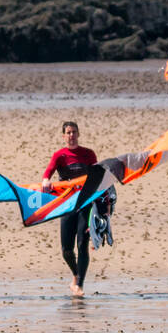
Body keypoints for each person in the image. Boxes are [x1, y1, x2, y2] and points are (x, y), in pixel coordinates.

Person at [41, 121, 98, 298]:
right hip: (66, 205)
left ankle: (79, 284)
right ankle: (75, 274)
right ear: (63, 136)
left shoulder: (88, 154)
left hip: (85, 203)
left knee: (82, 244)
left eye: (74, 132)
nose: (71, 135)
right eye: (68, 132)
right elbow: (48, 172)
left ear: (78, 134)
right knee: (66, 249)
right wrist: (45, 181)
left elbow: (96, 175)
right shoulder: (60, 156)